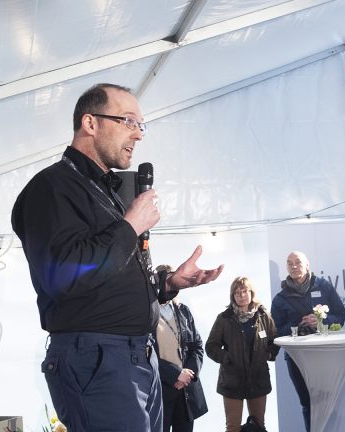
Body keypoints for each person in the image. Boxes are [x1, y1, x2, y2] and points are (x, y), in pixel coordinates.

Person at [11, 83, 223, 432]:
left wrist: (166, 284)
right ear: (90, 123)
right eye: (128, 121)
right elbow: (63, 275)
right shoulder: (51, 188)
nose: (138, 134)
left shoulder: (105, 189)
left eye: (141, 125)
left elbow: (108, 274)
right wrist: (130, 225)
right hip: (98, 359)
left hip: (136, 356)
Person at [271, 251, 345, 431]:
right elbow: (275, 332)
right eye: (289, 263)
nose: (294, 266)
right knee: (308, 403)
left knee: (330, 402)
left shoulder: (324, 286)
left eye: (298, 262)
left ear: (307, 265)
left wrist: (321, 321)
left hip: (325, 355)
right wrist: (296, 326)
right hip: (297, 359)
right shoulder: (280, 299)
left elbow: (341, 316)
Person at [206, 277, 279, 432]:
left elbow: (274, 340)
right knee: (233, 427)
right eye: (237, 293)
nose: (241, 295)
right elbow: (211, 347)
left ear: (252, 293)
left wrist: (268, 355)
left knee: (258, 426)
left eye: (245, 291)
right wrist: (227, 358)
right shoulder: (224, 318)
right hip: (232, 380)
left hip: (258, 378)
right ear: (232, 296)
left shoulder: (263, 315)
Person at [153, 265, 208, 432]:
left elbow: (197, 346)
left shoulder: (183, 310)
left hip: (185, 392)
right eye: (167, 281)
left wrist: (187, 375)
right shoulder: (146, 313)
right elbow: (145, 353)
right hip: (160, 390)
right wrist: (175, 374)